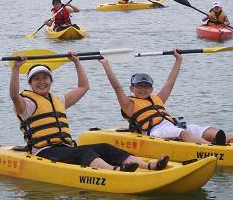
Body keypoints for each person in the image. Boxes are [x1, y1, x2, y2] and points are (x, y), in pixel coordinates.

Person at [9, 52, 169, 172]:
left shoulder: (58, 100)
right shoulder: (26, 104)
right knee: (83, 152)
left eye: (45, 78)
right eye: (36, 79)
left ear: (51, 81)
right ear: (30, 83)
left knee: (105, 147)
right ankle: (115, 171)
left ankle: (149, 165)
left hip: (65, 147)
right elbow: (14, 95)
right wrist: (16, 68)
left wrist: (76, 62)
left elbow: (83, 87)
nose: (42, 82)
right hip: (44, 151)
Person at [98, 50, 233, 146]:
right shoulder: (129, 104)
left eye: (146, 87)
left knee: (209, 129)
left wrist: (178, 60)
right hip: (155, 131)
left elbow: (170, 81)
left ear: (151, 88)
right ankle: (212, 147)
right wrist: (106, 65)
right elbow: (116, 86)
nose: (143, 90)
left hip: (171, 125)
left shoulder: (157, 98)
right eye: (139, 87)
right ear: (132, 88)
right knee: (184, 133)